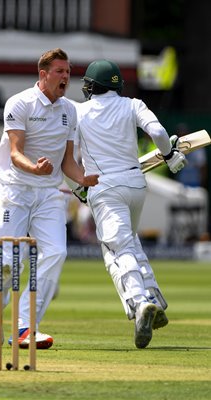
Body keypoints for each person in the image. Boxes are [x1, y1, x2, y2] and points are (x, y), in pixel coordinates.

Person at [0, 48, 99, 350]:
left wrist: (84, 178)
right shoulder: (19, 103)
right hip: (17, 191)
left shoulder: (69, 111)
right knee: (9, 262)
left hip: (49, 193)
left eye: (68, 71)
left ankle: (25, 326)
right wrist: (34, 167)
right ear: (43, 74)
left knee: (57, 253)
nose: (66, 77)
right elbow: (15, 152)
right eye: (60, 71)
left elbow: (68, 163)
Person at [73, 59, 186, 349]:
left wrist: (79, 187)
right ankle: (153, 297)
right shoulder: (133, 104)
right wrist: (171, 155)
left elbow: (71, 157)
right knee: (130, 242)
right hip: (136, 185)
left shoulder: (79, 112)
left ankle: (139, 303)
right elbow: (159, 133)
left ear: (90, 87)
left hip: (105, 187)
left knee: (117, 248)